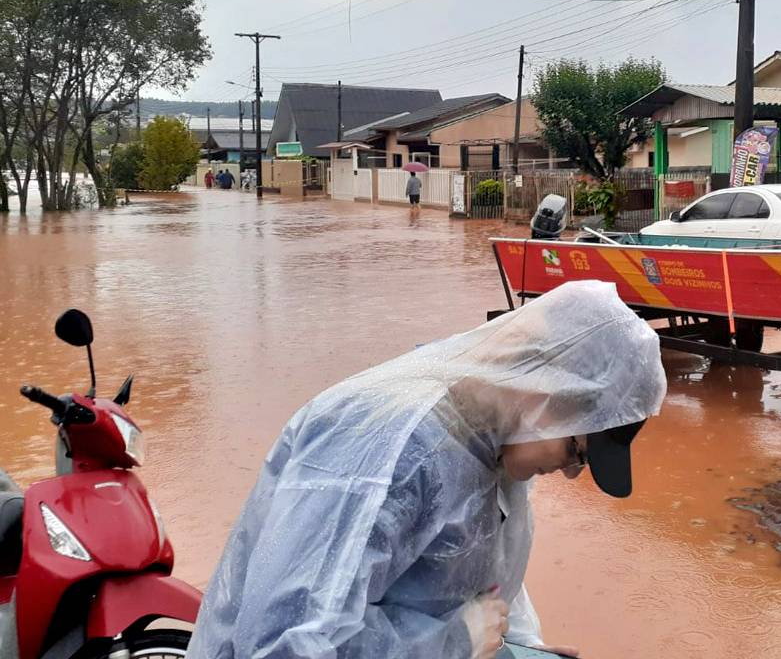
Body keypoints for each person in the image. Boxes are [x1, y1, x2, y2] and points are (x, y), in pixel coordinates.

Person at [187, 281, 667, 659]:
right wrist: (456, 642)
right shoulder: (386, 449)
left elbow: (485, 581)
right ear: (545, 391)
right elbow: (282, 642)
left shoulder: (496, 443)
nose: (571, 473)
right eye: (577, 451)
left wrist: (520, 648)